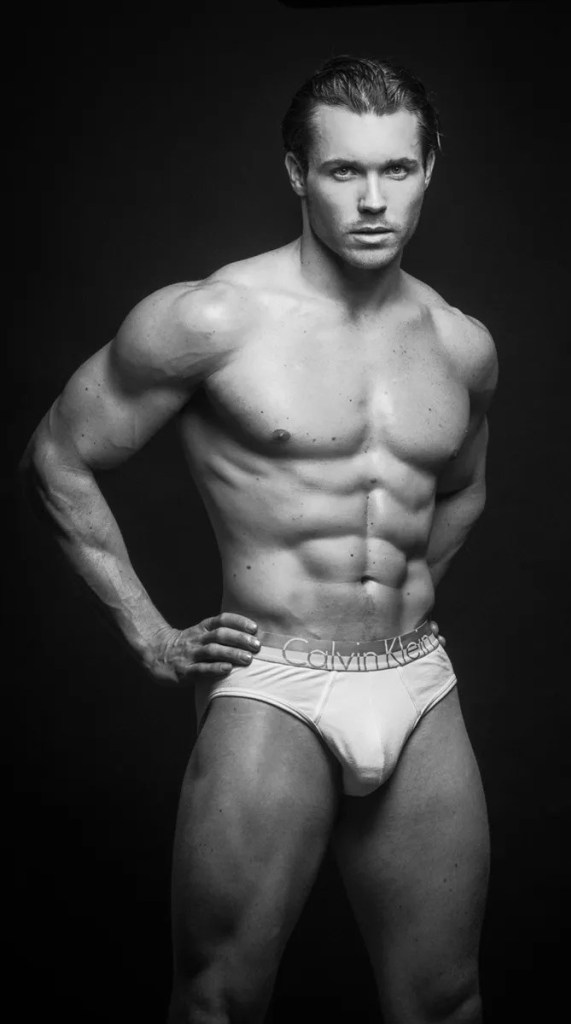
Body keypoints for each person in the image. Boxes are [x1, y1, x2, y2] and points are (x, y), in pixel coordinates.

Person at [22, 56, 498, 1024]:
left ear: (429, 168)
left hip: (415, 679)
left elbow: (461, 490)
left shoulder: (459, 342)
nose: (373, 200)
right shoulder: (212, 317)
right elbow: (57, 459)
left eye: (396, 169)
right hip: (275, 679)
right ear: (295, 172)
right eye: (342, 170)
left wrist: (391, 603)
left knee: (444, 998)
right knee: (219, 998)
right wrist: (149, 632)